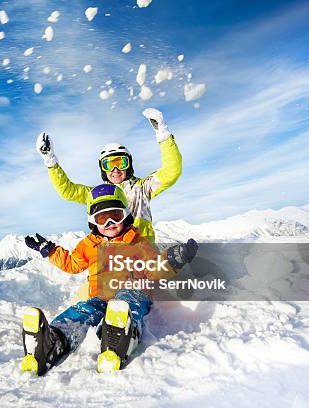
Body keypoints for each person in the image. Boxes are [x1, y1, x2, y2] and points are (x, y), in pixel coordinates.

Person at [22, 184, 198, 375]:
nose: (110, 223)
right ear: (93, 222)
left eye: (116, 215)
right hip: (101, 297)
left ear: (126, 215)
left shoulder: (138, 243)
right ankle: (53, 340)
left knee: (126, 301)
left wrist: (174, 259)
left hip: (133, 293)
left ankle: (119, 336)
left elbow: (155, 268)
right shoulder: (89, 245)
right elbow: (72, 264)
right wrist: (50, 250)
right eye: (102, 219)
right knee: (82, 311)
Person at [36, 108, 181, 243]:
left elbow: (171, 171)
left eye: (121, 163)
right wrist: (50, 161)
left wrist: (163, 134)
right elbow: (68, 191)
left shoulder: (142, 188)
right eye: (109, 165)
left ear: (129, 165)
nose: (115, 170)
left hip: (143, 256)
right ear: (103, 169)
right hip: (113, 259)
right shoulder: (97, 195)